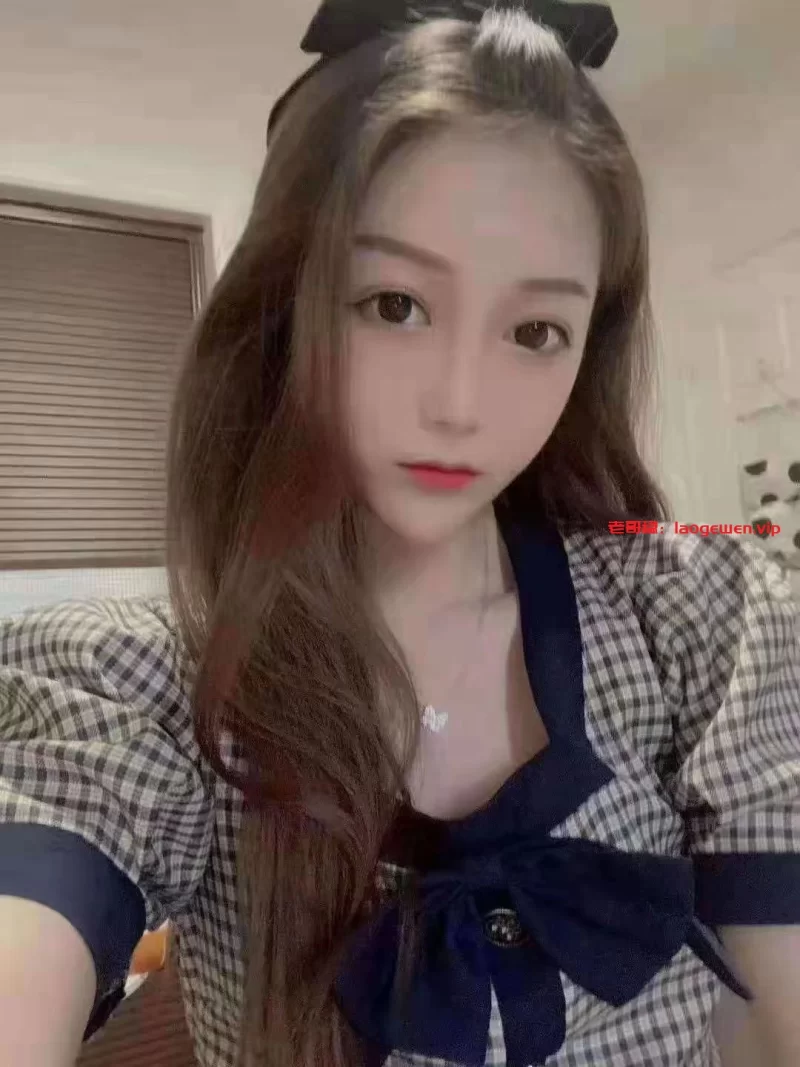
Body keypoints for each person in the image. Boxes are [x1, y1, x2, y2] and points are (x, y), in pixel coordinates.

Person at [1, 2, 798, 1066]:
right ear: (285, 309)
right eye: (393, 304)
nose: (460, 404)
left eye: (535, 330)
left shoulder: (698, 617)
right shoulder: (158, 685)